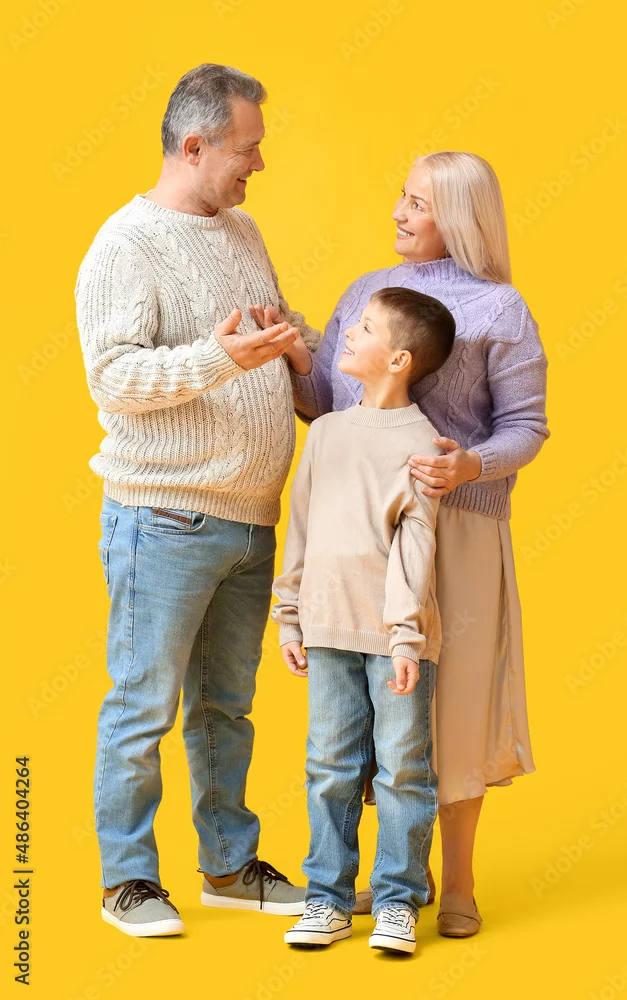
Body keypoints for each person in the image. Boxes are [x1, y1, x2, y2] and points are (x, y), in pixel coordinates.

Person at [257, 150, 549, 936]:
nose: (398, 211)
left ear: (458, 216)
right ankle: (390, 880)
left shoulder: (501, 310)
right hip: (361, 531)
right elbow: (330, 405)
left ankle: (456, 883)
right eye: (402, 195)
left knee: (452, 708)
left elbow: (526, 427)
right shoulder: (366, 293)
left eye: (418, 203)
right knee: (365, 710)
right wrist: (297, 357)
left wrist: (468, 465)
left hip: (462, 531)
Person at [74, 63, 325, 937]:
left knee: (226, 709)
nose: (258, 164)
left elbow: (276, 327)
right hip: (165, 518)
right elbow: (113, 378)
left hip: (252, 518)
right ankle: (127, 883)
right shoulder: (124, 245)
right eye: (246, 149)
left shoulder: (241, 230)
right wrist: (222, 359)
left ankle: (227, 867)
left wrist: (308, 355)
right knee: (143, 705)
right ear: (193, 145)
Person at [271, 287, 456, 955]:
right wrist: (289, 616)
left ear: (399, 359)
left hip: (395, 639)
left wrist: (405, 637)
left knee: (403, 770)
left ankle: (397, 902)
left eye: (367, 327)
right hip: (326, 629)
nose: (347, 331)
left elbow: (416, 548)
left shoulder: (423, 446)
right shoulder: (325, 433)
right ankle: (326, 900)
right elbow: (300, 528)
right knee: (329, 766)